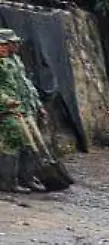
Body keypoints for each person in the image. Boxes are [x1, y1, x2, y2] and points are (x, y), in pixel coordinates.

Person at [0, 28, 46, 193]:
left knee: (28, 143)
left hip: (22, 108)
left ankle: (26, 178)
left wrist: (37, 104)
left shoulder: (15, 61)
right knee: (12, 144)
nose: (14, 45)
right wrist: (7, 101)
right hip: (6, 111)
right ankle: (8, 182)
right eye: (7, 44)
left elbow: (25, 85)